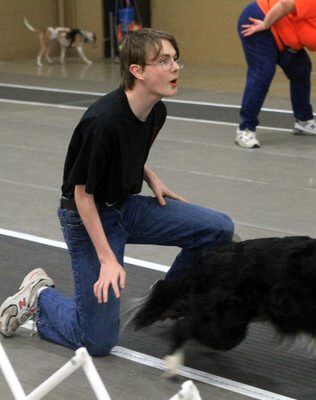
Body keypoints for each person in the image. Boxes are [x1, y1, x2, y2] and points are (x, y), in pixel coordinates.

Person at [0, 29, 234, 356]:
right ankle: (38, 297)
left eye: (176, 59)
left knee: (217, 229)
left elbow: (130, 151)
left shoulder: (157, 112)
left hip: (126, 207)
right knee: (97, 341)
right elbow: (82, 195)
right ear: (137, 71)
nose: (175, 67)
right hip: (86, 217)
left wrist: (150, 176)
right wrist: (107, 258)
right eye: (164, 61)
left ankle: (169, 296)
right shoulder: (103, 121)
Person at [235, 0, 316, 148]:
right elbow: (285, 4)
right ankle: (245, 129)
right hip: (260, 23)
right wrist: (265, 24)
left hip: (284, 39)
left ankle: (304, 121)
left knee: (301, 68)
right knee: (263, 72)